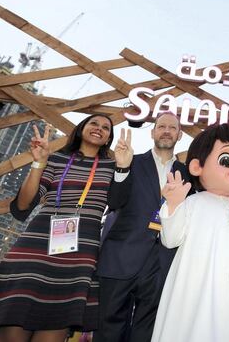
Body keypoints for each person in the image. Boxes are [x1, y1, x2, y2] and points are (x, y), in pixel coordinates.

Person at [0, 114, 133, 342]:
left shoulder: (112, 165)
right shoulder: (56, 160)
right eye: (94, 123)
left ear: (109, 137)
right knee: (15, 318)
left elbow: (118, 202)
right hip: (36, 246)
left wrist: (123, 167)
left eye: (106, 128)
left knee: (57, 320)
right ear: (81, 129)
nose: (99, 128)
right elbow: (23, 205)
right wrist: (39, 162)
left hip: (79, 252)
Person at [150, 123, 229, 342]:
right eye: (226, 160)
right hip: (195, 287)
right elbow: (170, 239)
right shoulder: (194, 202)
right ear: (197, 166)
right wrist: (174, 206)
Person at [97, 112, 193, 342]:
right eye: (161, 126)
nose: (167, 131)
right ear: (152, 132)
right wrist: (122, 168)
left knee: (148, 331)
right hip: (121, 256)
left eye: (172, 127)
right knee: (108, 328)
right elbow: (114, 202)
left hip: (163, 262)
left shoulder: (189, 174)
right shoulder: (129, 161)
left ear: (179, 135)